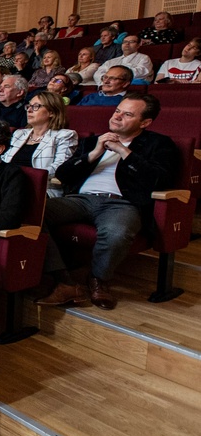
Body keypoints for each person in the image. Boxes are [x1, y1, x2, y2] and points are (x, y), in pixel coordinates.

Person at [38, 94, 180, 310]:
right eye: (117, 111)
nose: (118, 117)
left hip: (122, 204)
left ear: (145, 122)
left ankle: (98, 279)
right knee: (33, 213)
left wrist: (124, 151)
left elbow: (159, 179)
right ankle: (64, 280)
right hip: (80, 199)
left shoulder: (158, 144)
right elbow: (63, 174)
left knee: (117, 232)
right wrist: (94, 153)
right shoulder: (92, 141)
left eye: (128, 114)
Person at [2, 92, 78, 197]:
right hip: (9, 186)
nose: (29, 110)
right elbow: (4, 160)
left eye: (36, 106)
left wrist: (19, 177)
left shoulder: (65, 135)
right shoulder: (19, 134)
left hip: (41, 190)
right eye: (28, 106)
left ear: (52, 112)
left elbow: (59, 168)